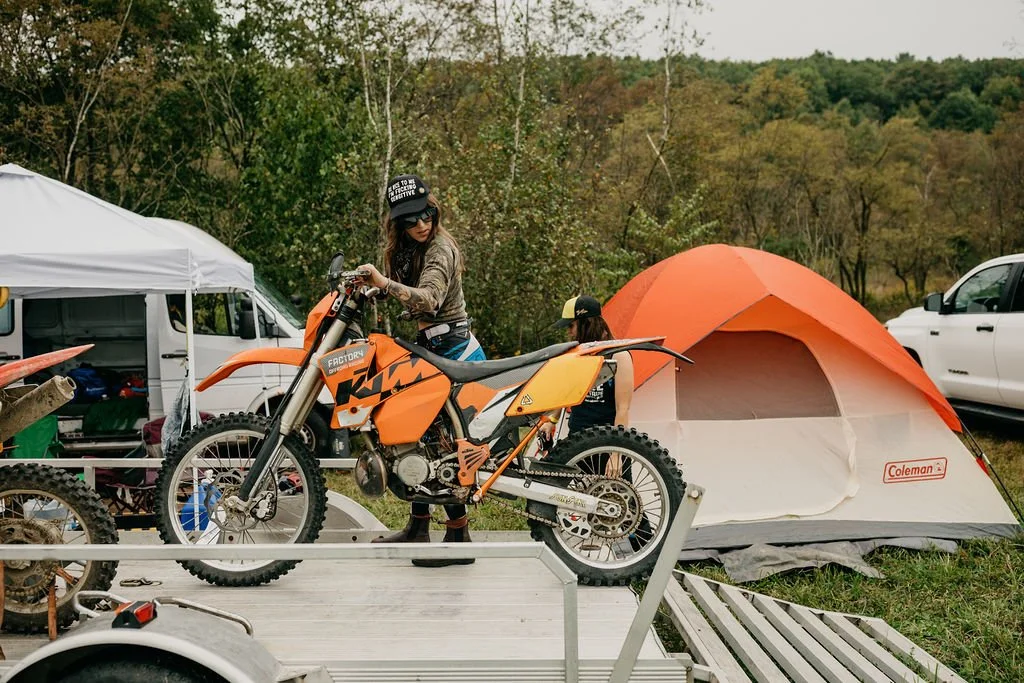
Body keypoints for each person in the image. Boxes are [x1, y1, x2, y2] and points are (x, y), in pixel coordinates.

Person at [357, 173, 485, 567]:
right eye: (411, 219)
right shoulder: (404, 249)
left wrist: (384, 283)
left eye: (426, 214)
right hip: (428, 346)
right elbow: (399, 287)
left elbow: (428, 298)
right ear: (398, 222)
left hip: (453, 350)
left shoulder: (441, 249)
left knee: (445, 445)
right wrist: (370, 287)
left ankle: (458, 534)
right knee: (415, 437)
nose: (421, 224)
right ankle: (418, 524)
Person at [540, 294, 652, 551]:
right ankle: (584, 548)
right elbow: (565, 392)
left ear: (586, 322)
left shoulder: (619, 355)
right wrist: (551, 420)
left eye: (571, 326)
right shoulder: (578, 354)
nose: (569, 332)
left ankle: (647, 551)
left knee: (625, 500)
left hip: (608, 439)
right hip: (579, 437)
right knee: (578, 497)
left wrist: (616, 454)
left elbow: (623, 409)